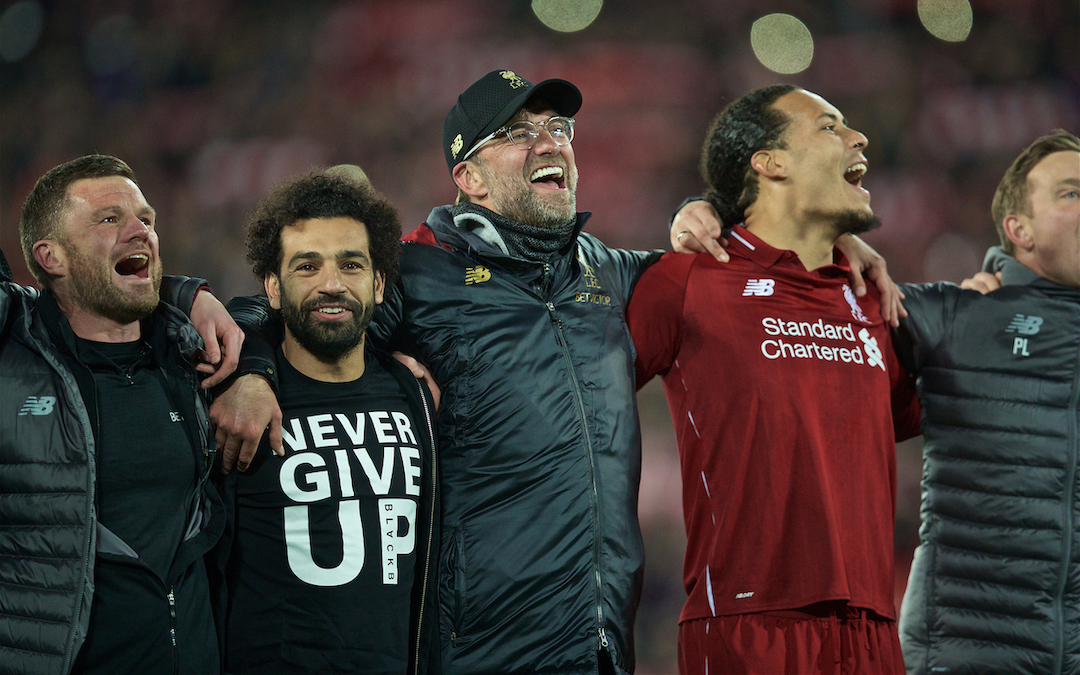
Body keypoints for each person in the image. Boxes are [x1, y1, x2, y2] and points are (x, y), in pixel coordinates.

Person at [218, 71, 903, 675]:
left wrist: (813, 231)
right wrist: (251, 370)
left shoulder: (610, 272)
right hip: (481, 649)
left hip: (602, 643)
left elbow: (752, 241)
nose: (550, 143)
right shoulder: (420, 272)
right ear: (470, 178)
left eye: (557, 127)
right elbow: (285, 310)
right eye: (518, 133)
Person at [627, 85, 923, 674]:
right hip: (748, 630)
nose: (857, 137)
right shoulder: (687, 282)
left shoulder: (874, 299)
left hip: (873, 632)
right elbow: (574, 387)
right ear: (770, 162)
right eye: (829, 126)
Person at [0, 154, 242, 674]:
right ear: (51, 256)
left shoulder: (188, 358)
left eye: (147, 220)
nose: (141, 232)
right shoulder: (12, 360)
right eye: (109, 219)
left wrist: (256, 371)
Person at [215, 170, 439, 674]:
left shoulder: (416, 395)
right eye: (307, 266)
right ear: (272, 288)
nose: (331, 284)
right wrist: (247, 373)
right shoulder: (237, 400)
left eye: (351, 264)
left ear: (379, 283)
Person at [895, 130, 1080, 675]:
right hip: (967, 653)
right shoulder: (959, 315)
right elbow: (804, 295)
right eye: (1071, 193)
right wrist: (703, 212)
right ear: (1017, 229)